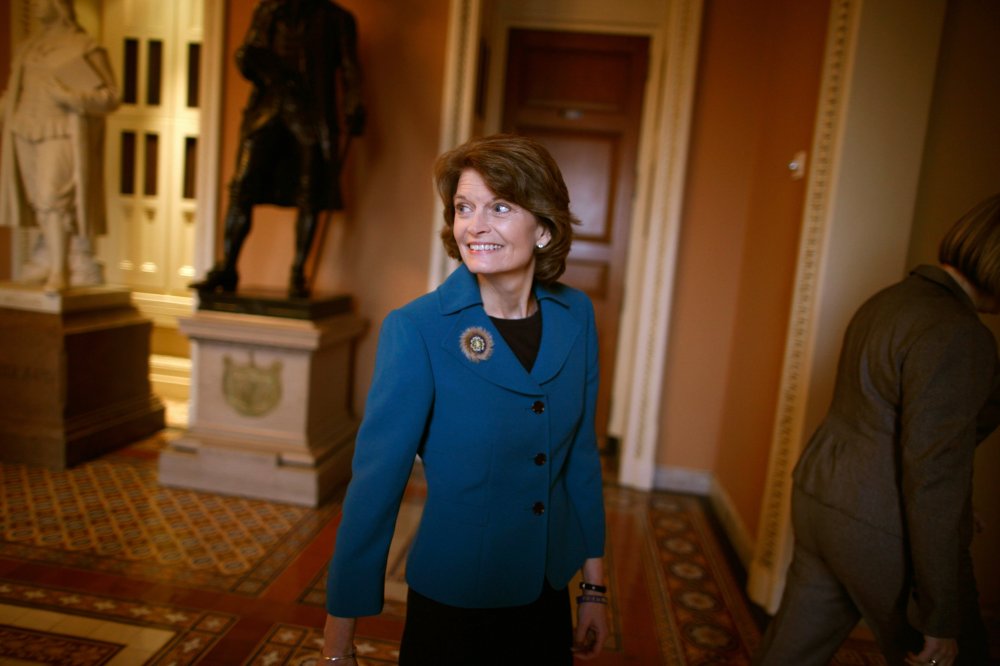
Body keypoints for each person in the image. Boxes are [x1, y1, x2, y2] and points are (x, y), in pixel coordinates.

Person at [321, 134, 609, 664]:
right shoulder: (418, 330)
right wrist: (339, 639)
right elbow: (375, 488)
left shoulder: (576, 316)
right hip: (456, 601)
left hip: (547, 595)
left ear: (543, 227)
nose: (476, 224)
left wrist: (592, 587)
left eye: (500, 206)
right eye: (464, 207)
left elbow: (580, 459)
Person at [753, 193, 1000, 666]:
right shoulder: (958, 333)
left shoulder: (890, 299)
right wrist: (942, 618)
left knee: (789, 654)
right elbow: (934, 474)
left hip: (820, 500)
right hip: (880, 526)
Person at [193, 0, 365, 298]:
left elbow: (350, 68)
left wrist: (353, 102)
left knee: (309, 193)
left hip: (311, 113)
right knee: (242, 185)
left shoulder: (337, 19)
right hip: (269, 109)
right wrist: (256, 63)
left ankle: (297, 273)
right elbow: (248, 54)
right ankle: (227, 267)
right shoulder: (270, 10)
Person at [0, 0, 120, 292]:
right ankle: (51, 256)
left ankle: (60, 270)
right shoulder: (29, 48)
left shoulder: (84, 46)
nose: (36, 5)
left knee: (54, 196)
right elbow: (16, 91)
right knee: (38, 199)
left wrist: (71, 97)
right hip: (25, 127)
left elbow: (111, 96)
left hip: (61, 130)